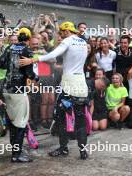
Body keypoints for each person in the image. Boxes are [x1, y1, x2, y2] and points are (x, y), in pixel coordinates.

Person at [19, 21, 89, 160]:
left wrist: (33, 60)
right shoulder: (82, 42)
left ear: (66, 31)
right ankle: (83, 150)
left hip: (69, 84)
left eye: (62, 33)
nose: (61, 36)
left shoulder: (67, 41)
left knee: (60, 117)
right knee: (80, 119)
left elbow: (53, 55)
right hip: (81, 84)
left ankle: (63, 149)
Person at [0, 27, 37, 162]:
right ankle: (16, 155)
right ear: (29, 39)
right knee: (20, 124)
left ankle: (15, 151)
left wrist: (12, 66)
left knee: (13, 123)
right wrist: (36, 78)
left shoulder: (9, 48)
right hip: (18, 91)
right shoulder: (27, 50)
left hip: (6, 90)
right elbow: (30, 74)